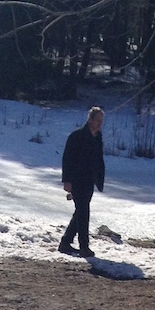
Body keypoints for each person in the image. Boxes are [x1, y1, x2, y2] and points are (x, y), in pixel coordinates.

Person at [59, 107, 105, 258]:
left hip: (89, 180)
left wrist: (99, 178)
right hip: (77, 180)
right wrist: (67, 180)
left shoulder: (98, 138)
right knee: (83, 211)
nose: (99, 124)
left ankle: (65, 242)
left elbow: (98, 160)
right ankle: (84, 246)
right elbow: (67, 159)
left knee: (80, 211)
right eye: (97, 120)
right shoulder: (77, 136)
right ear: (90, 119)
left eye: (101, 121)